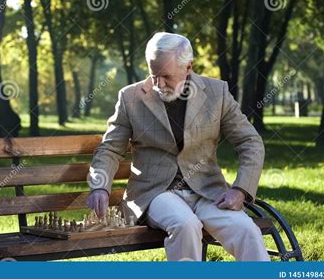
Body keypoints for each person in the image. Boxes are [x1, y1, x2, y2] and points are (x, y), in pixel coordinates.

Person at [86, 32, 269, 261]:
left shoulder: (217, 92)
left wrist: (240, 189)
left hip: (208, 191)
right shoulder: (130, 98)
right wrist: (100, 186)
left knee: (247, 230)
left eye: (166, 76)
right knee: (185, 225)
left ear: (189, 67)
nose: (158, 84)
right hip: (156, 193)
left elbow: (250, 142)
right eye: (153, 75)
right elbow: (110, 149)